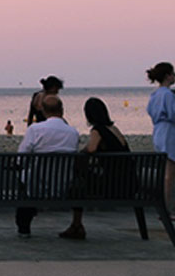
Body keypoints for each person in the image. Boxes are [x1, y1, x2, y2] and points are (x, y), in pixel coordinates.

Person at [55, 97, 134, 240]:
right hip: (129, 182)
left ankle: (76, 226)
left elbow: (91, 148)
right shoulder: (114, 129)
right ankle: (76, 226)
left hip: (114, 186)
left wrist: (80, 152)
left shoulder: (97, 130)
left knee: (77, 187)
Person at [15, 95, 80, 239]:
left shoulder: (35, 130)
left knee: (24, 179)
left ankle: (24, 227)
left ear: (43, 111)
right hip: (63, 186)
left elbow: (21, 157)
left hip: (36, 187)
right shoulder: (73, 132)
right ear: (62, 111)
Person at [145, 63, 175, 220]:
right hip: (168, 133)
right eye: (173, 74)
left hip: (160, 131)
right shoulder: (167, 95)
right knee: (170, 174)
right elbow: (174, 115)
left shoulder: (156, 95)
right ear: (167, 76)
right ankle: (166, 210)